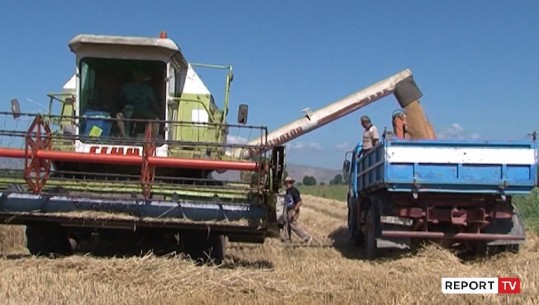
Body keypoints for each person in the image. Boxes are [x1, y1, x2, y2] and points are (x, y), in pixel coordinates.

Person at [115, 69, 160, 137]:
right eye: (136, 74)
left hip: (142, 112)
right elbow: (120, 100)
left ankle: (152, 140)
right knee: (119, 115)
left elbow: (153, 103)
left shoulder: (147, 89)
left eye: (139, 74)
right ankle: (125, 137)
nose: (138, 76)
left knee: (156, 119)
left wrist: (157, 112)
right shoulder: (126, 87)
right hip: (131, 110)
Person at [279, 176, 312, 243]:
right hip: (288, 210)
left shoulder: (294, 191)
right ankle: (287, 239)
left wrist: (294, 210)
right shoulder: (288, 191)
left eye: (286, 183)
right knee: (287, 224)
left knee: (293, 225)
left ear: (289, 183)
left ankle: (306, 237)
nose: (285, 184)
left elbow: (299, 201)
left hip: (292, 210)